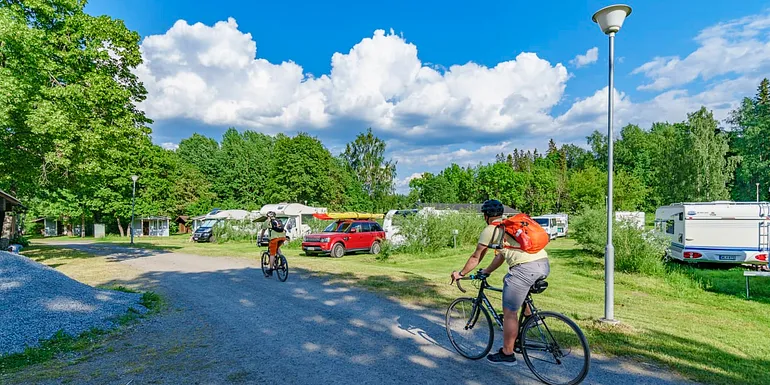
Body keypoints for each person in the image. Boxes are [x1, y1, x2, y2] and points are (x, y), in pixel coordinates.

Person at [451, 199, 550, 366]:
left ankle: (507, 354)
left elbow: (476, 257)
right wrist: (487, 271)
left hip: (524, 269)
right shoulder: (508, 227)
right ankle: (530, 316)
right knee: (509, 280)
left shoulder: (491, 229)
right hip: (543, 264)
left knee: (509, 313)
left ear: (485, 215)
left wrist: (460, 273)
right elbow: (501, 255)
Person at [265, 211, 286, 277]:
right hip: (282, 237)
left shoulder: (269, 222)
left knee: (272, 254)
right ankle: (282, 258)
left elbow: (264, 227)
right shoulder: (279, 220)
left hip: (274, 238)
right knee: (278, 248)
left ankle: (271, 270)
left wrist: (268, 220)